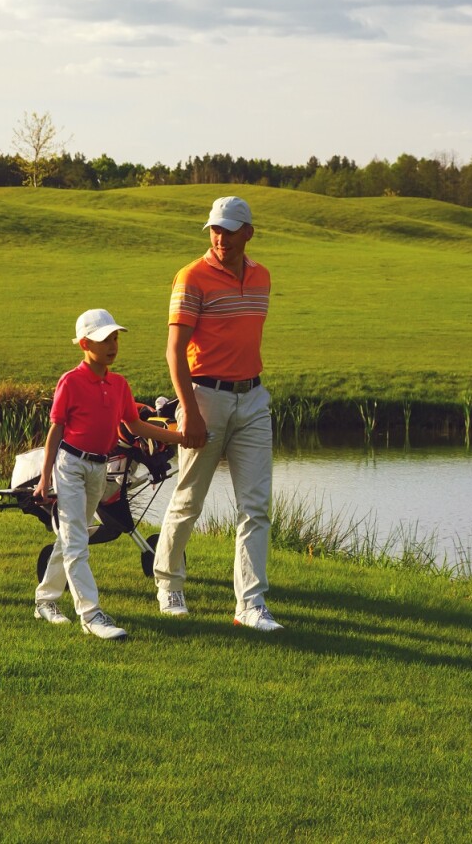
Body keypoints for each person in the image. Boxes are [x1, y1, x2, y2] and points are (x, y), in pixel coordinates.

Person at [152, 196, 282, 631]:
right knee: (189, 499)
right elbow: (174, 351)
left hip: (254, 398)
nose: (220, 238)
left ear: (249, 232)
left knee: (256, 507)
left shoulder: (262, 277)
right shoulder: (191, 277)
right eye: (215, 230)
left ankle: (251, 604)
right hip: (206, 397)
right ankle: (169, 585)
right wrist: (189, 411)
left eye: (228, 230)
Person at [34, 308, 183, 640]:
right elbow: (55, 433)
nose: (113, 345)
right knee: (77, 541)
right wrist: (44, 478)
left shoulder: (118, 384)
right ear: (85, 344)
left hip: (99, 468)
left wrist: (181, 438)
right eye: (104, 340)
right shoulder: (70, 381)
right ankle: (91, 614)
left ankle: (45, 600)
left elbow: (136, 426)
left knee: (72, 537)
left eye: (115, 338)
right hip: (71, 466)